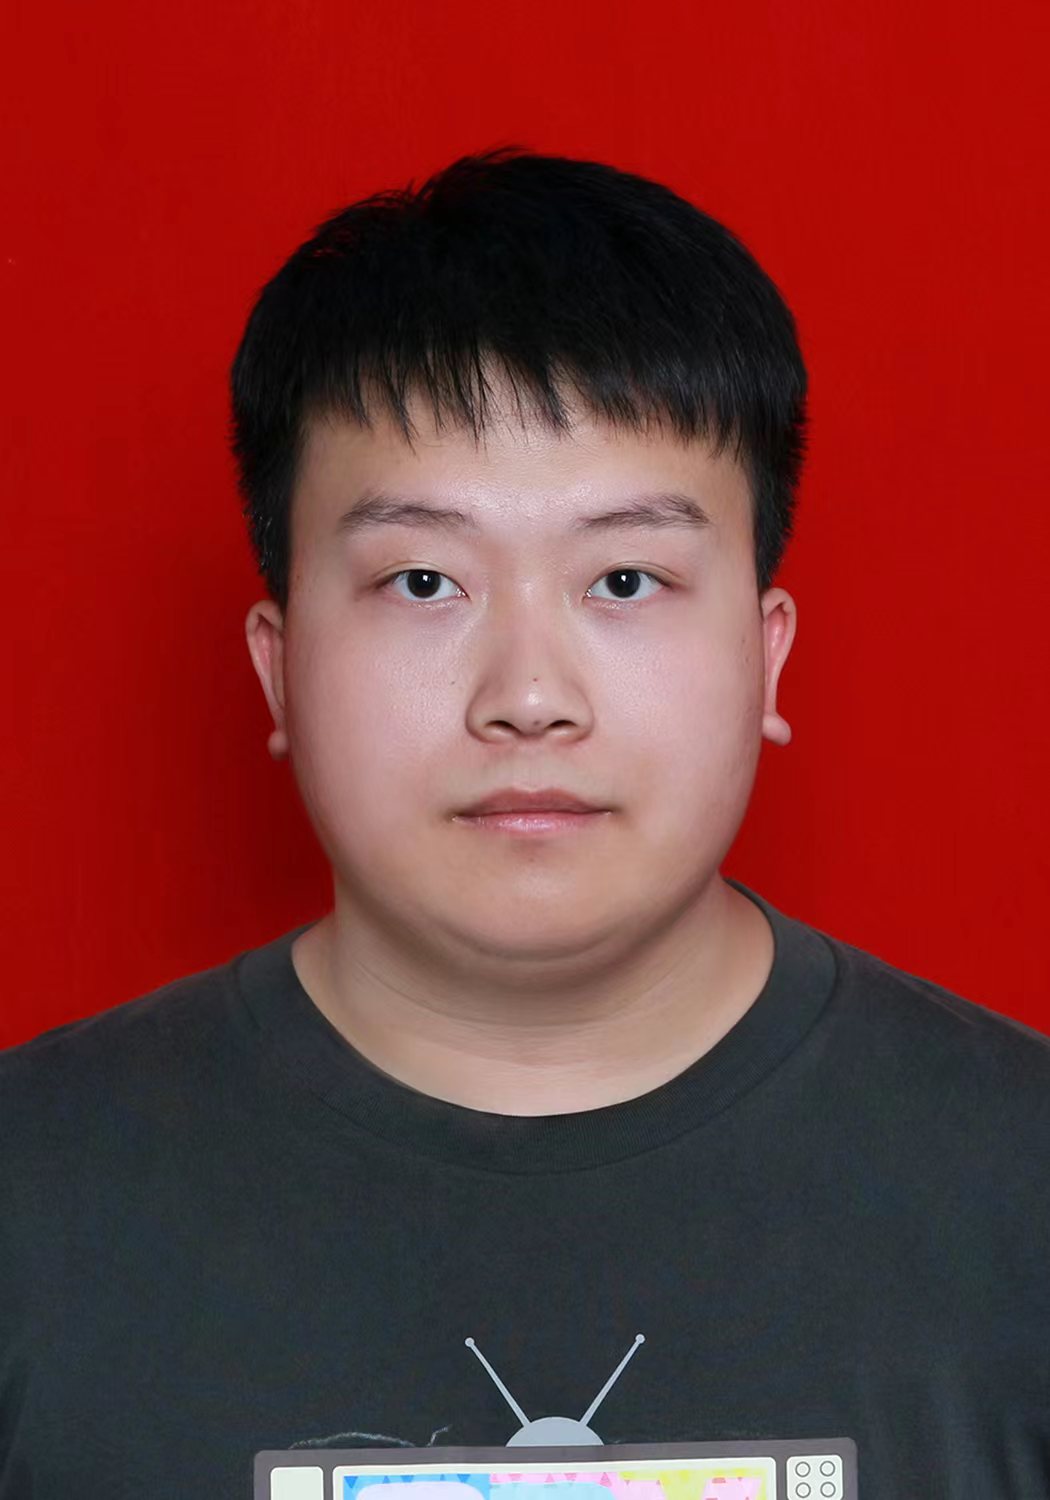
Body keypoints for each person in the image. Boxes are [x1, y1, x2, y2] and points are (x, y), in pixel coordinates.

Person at [1, 148, 1047, 1500]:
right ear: (276, 668)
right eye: (423, 582)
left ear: (768, 655)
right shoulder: (32, 1197)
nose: (530, 697)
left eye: (626, 579)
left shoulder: (1020, 1188)